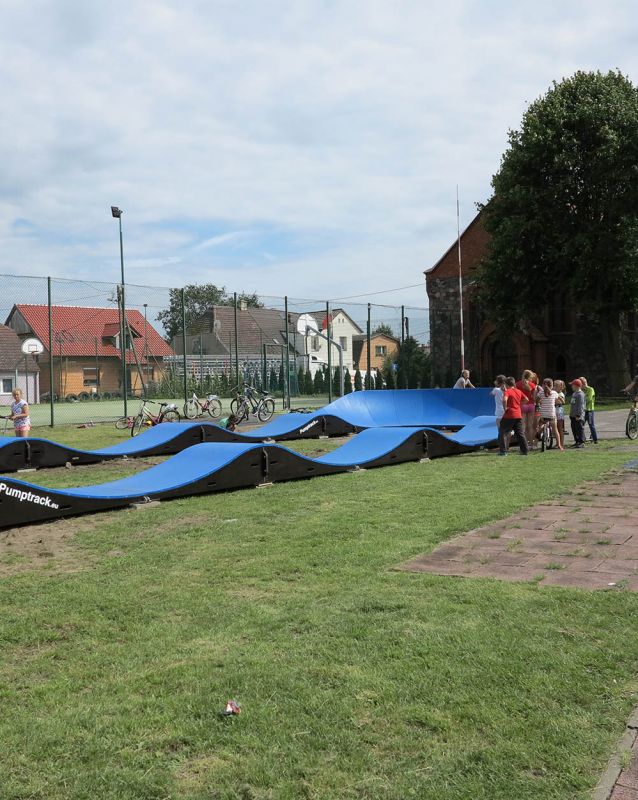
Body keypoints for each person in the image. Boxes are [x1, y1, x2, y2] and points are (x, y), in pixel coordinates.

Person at [498, 376, 528, 456]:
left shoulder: (507, 391)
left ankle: (503, 451)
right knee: (520, 433)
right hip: (518, 415)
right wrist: (519, 404)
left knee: (502, 432)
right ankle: (524, 450)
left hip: (509, 414)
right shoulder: (518, 391)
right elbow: (526, 399)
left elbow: (504, 400)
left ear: (506, 384)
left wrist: (505, 408)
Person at [538, 378, 564, 451]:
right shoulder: (554, 393)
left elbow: (536, 399)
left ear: (543, 385)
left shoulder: (540, 393)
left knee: (541, 423)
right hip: (551, 414)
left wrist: (538, 402)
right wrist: (561, 401)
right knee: (555, 430)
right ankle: (559, 445)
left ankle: (539, 431)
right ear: (552, 386)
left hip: (543, 414)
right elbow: (561, 400)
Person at [515, 370, 537, 448]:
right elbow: (534, 398)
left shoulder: (517, 384)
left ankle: (523, 445)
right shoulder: (533, 385)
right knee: (530, 426)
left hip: (522, 405)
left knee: (523, 426)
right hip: (531, 405)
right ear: (530, 376)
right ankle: (531, 443)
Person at [580, 376, 598, 443]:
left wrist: (582, 401)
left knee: (591, 425)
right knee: (581, 425)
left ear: (583, 383)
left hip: (589, 410)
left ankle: (595, 439)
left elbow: (589, 399)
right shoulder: (581, 391)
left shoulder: (590, 389)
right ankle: (582, 439)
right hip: (583, 411)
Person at [569, 379, 586, 448]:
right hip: (573, 415)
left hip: (578, 415)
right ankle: (577, 441)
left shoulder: (580, 395)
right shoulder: (574, 394)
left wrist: (578, 415)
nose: (571, 386)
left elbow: (581, 406)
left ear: (577, 386)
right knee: (574, 428)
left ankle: (581, 442)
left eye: (572, 385)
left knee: (579, 429)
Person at [554, 379, 566, 450]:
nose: (554, 387)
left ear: (561, 387)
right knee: (555, 428)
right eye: (554, 385)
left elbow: (560, 402)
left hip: (559, 410)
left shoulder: (561, 394)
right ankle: (557, 442)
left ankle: (561, 443)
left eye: (556, 386)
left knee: (560, 428)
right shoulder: (554, 393)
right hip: (554, 410)